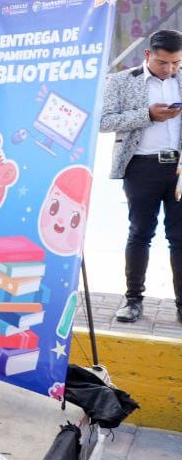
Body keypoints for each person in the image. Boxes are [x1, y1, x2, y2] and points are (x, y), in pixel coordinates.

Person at [99, 28, 182, 325]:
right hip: (141, 168)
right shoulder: (122, 81)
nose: (170, 69)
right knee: (140, 234)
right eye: (163, 63)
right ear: (148, 55)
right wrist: (147, 114)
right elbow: (104, 121)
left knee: (180, 237)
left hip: (179, 170)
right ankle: (133, 300)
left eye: (176, 63)